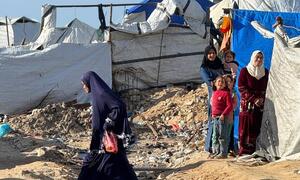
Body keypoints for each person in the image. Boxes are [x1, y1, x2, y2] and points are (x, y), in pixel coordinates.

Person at [78, 71, 137, 180]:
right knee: (115, 161)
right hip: (101, 135)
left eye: (84, 84)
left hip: (105, 136)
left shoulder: (102, 94)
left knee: (95, 160)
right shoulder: (97, 95)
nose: (83, 87)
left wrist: (109, 123)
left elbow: (119, 106)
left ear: (89, 83)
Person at [238, 50, 269, 156]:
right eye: (257, 57)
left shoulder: (265, 72)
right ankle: (245, 152)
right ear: (253, 58)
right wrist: (253, 99)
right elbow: (241, 87)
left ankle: (257, 151)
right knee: (246, 128)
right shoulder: (245, 71)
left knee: (258, 127)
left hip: (260, 106)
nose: (259, 60)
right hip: (248, 106)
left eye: (261, 58)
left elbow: (269, 88)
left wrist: (261, 99)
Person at [200, 45, 225, 153]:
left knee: (223, 123)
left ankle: (221, 147)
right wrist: (221, 81)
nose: (212, 55)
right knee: (212, 122)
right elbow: (210, 82)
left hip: (224, 98)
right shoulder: (204, 68)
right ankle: (208, 147)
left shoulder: (220, 65)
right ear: (206, 55)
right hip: (214, 99)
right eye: (209, 53)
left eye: (213, 53)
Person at [210, 76, 233, 158]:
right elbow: (213, 105)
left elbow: (229, 106)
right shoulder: (215, 93)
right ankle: (216, 151)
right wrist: (212, 114)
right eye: (219, 81)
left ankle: (223, 153)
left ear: (224, 85)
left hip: (222, 118)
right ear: (215, 83)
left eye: (222, 82)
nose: (220, 83)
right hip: (215, 117)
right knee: (215, 135)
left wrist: (223, 114)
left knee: (222, 136)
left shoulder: (226, 93)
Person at [223, 74, 238, 156]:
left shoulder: (233, 92)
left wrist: (230, 109)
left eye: (230, 81)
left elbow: (235, 103)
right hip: (221, 115)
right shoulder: (221, 91)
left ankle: (230, 149)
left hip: (230, 114)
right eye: (226, 81)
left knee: (230, 131)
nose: (228, 83)